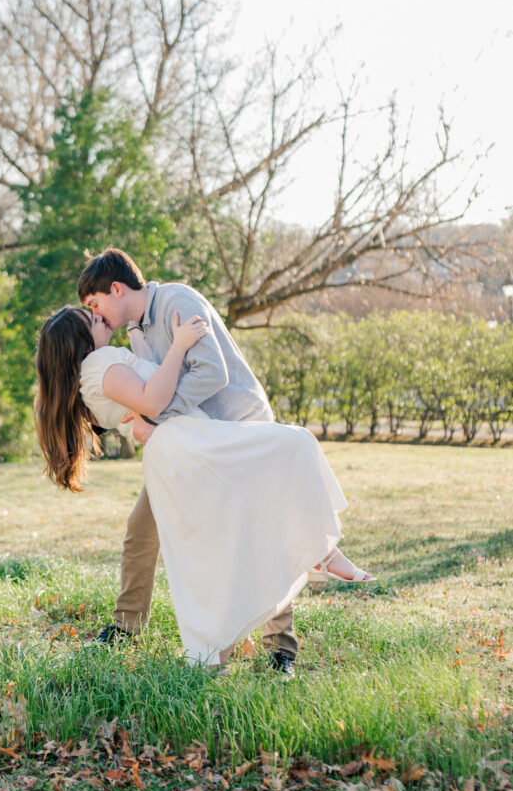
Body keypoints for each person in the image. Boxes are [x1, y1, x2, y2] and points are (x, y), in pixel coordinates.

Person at [35, 281, 374, 670]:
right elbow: (149, 400)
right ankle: (150, 632)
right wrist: (171, 364)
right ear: (80, 341)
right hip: (188, 450)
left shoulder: (153, 320)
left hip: (202, 439)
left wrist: (148, 415)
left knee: (240, 527)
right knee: (191, 536)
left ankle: (275, 641)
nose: (98, 315)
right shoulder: (104, 363)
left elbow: (197, 380)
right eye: (89, 315)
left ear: (116, 289)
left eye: (95, 305)